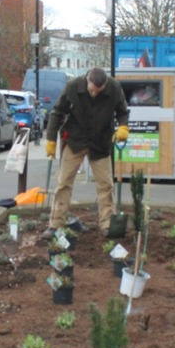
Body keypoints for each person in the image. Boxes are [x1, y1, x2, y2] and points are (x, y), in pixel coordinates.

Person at [44, 67, 129, 236]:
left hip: (100, 142)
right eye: (92, 90)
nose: (95, 93)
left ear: (104, 85)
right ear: (87, 80)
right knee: (64, 183)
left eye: (99, 90)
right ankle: (55, 224)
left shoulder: (114, 87)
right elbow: (57, 112)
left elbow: (122, 111)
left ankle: (106, 225)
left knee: (106, 185)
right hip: (75, 140)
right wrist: (51, 139)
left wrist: (123, 127)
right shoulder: (73, 86)